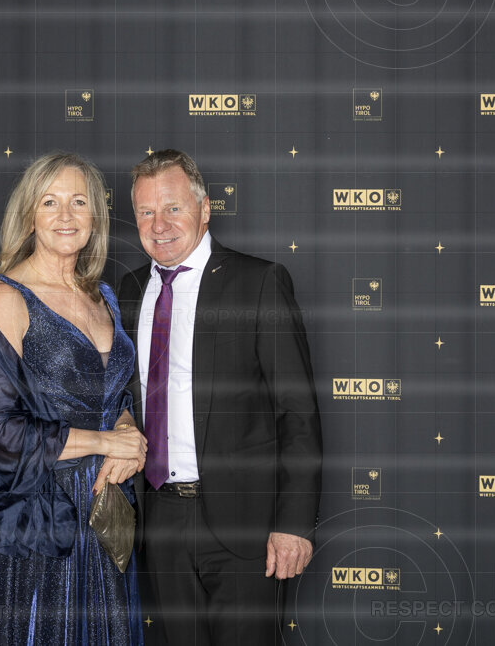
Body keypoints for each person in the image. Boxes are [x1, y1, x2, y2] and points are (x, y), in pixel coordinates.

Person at [116, 149, 323, 645]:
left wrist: (294, 524)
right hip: (160, 522)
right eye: (146, 211)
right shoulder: (129, 289)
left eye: (173, 208)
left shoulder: (258, 283)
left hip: (246, 526)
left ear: (205, 208)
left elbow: (297, 413)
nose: (159, 225)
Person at [0, 152, 146, 645]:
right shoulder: (7, 297)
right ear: (29, 215)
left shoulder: (102, 295)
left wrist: (126, 429)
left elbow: (115, 392)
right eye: (50, 202)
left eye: (78, 202)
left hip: (104, 511)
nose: (66, 215)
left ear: (95, 216)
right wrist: (105, 441)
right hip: (38, 519)